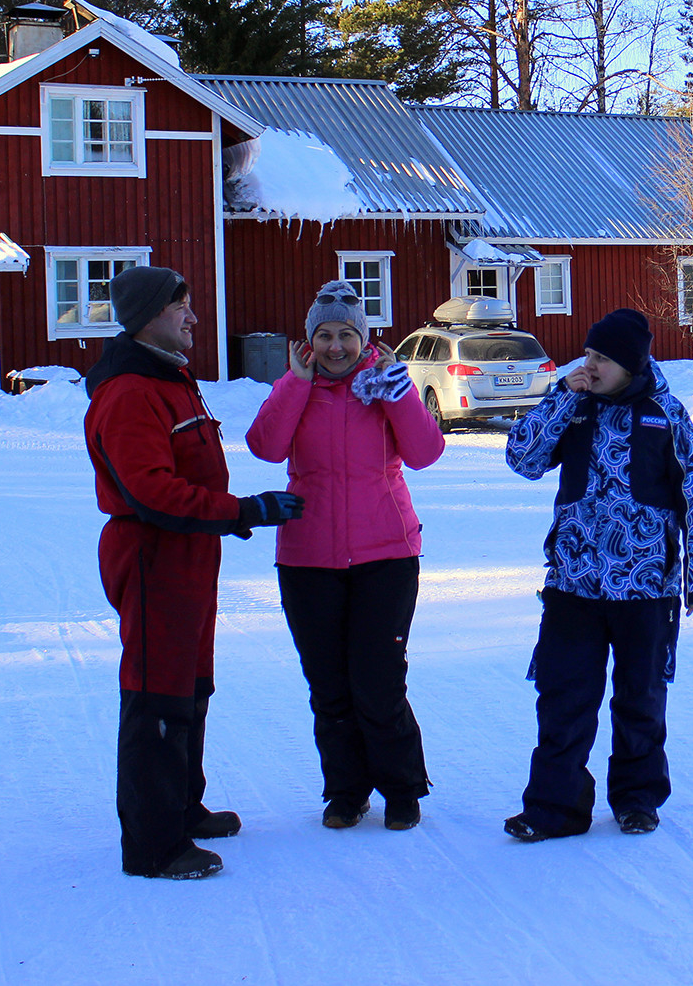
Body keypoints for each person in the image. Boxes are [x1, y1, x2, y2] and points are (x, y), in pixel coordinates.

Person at [84, 266, 305, 880]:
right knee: (157, 688)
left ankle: (182, 806)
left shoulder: (170, 377)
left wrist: (229, 514)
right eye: (182, 306)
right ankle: (154, 845)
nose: (193, 316)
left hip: (188, 554)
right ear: (150, 313)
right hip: (154, 553)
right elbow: (151, 491)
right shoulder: (131, 391)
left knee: (189, 681)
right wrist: (242, 511)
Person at [501, 308, 693, 842]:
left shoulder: (666, 416)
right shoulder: (573, 407)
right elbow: (522, 460)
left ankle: (637, 799)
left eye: (602, 358)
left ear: (631, 364)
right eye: (589, 354)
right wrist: (560, 397)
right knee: (562, 697)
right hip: (572, 582)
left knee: (640, 697)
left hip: (646, 587)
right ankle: (554, 808)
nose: (589, 365)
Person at [245, 280, 446, 833]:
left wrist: (398, 393)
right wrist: (294, 382)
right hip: (308, 559)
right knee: (329, 685)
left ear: (365, 339)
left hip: (386, 556)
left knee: (379, 681)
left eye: (347, 336)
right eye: (325, 336)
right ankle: (346, 792)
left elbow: (426, 453)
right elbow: (264, 446)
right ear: (309, 342)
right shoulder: (297, 388)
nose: (336, 347)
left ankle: (403, 788)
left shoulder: (383, 387)